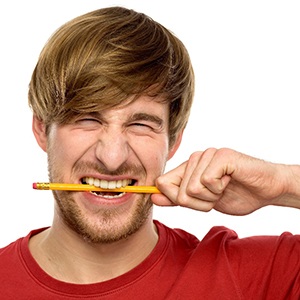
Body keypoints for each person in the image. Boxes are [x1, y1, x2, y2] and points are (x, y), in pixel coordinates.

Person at [0, 6, 299, 299]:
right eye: (88, 118)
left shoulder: (254, 276)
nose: (112, 157)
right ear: (41, 129)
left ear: (174, 139)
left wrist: (282, 185)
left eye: (140, 124)